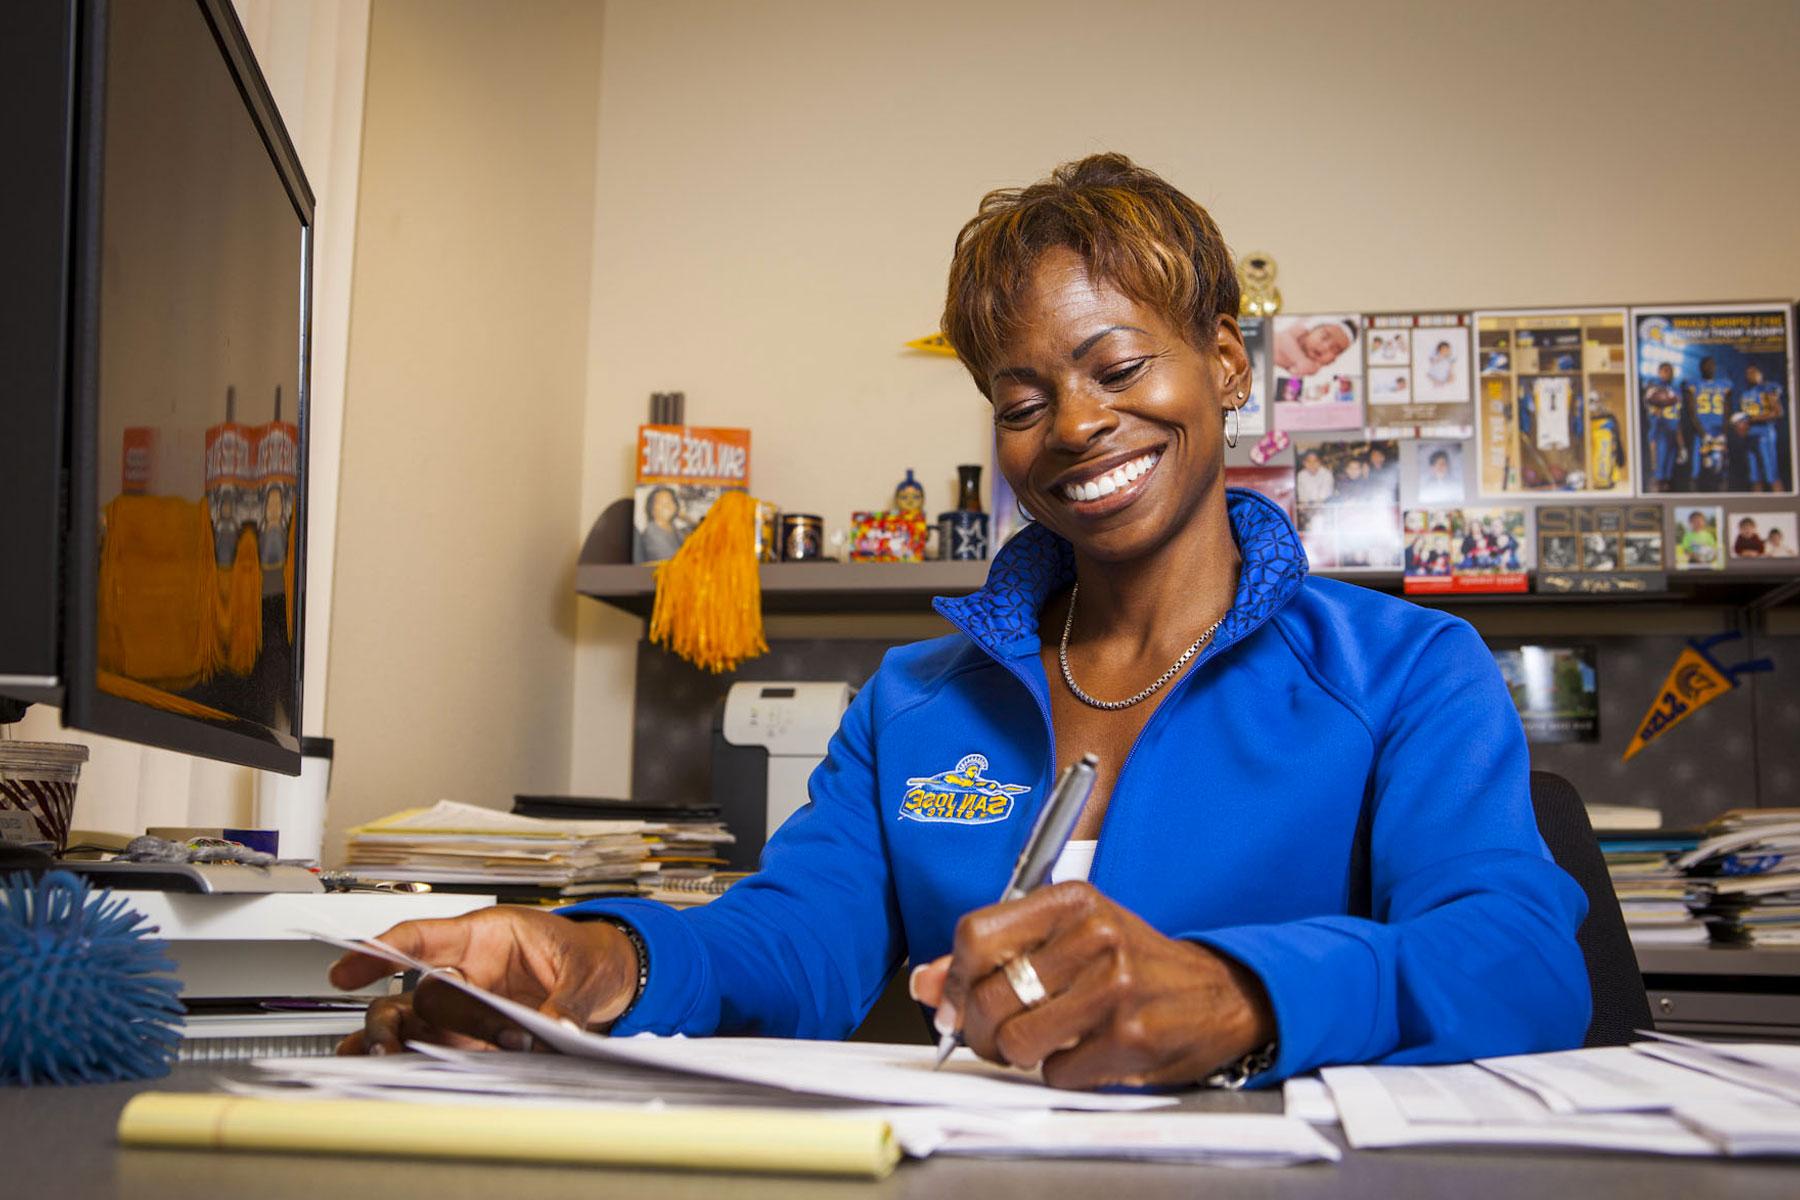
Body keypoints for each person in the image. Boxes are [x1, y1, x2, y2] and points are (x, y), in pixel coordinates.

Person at [332, 154, 1589, 1090]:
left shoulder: (1411, 671)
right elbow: (799, 943)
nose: (1078, 426)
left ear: (1226, 362)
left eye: (1118, 366)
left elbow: (1516, 961)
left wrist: (1245, 994)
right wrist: (596, 961)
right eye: (1023, 397)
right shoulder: (914, 703)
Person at [1737, 364, 1786, 493]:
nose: (1750, 375)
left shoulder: (1767, 388)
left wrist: (1753, 419)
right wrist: (1741, 425)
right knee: (1754, 478)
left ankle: (1781, 508)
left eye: (1753, 372)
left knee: (1772, 476)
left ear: (1760, 373)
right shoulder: (1745, 394)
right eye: (1747, 373)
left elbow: (1778, 412)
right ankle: (1755, 508)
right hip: (1749, 438)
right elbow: (1744, 418)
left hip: (1765, 435)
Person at [1642, 361, 1686, 492]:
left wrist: (1682, 445)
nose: (1669, 373)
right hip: (1659, 432)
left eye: (1671, 370)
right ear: (1659, 372)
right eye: (1666, 370)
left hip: (1673, 432)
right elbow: (1650, 405)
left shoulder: (1676, 390)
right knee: (1657, 475)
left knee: (1668, 476)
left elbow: (1677, 417)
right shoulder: (1653, 389)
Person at [1273, 317, 1357, 377]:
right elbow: (1283, 337)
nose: (1325, 347)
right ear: (1310, 330)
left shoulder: (1312, 367)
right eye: (1324, 337)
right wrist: (1300, 360)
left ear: (1332, 361)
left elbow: (1293, 373)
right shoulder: (1296, 333)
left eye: (1334, 349)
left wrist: (1313, 368)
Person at [635, 485, 686, 562]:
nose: (667, 505)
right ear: (652, 509)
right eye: (661, 502)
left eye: (670, 501)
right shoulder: (652, 533)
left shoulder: (671, 526)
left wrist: (686, 518)